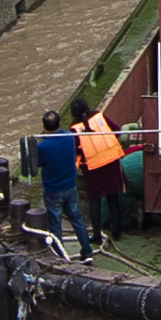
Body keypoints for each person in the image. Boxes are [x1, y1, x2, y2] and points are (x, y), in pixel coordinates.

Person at [37, 109, 95, 263]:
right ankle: (87, 251)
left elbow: (37, 164)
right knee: (77, 219)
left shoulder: (43, 147)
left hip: (53, 190)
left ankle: (60, 257)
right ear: (60, 123)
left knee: (55, 225)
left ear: (44, 126)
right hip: (70, 187)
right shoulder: (69, 137)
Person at [70, 97, 127, 245]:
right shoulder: (99, 116)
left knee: (94, 200)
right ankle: (117, 231)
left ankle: (96, 235)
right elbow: (117, 130)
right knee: (113, 196)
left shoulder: (74, 127)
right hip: (111, 162)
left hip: (93, 167)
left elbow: (75, 149)